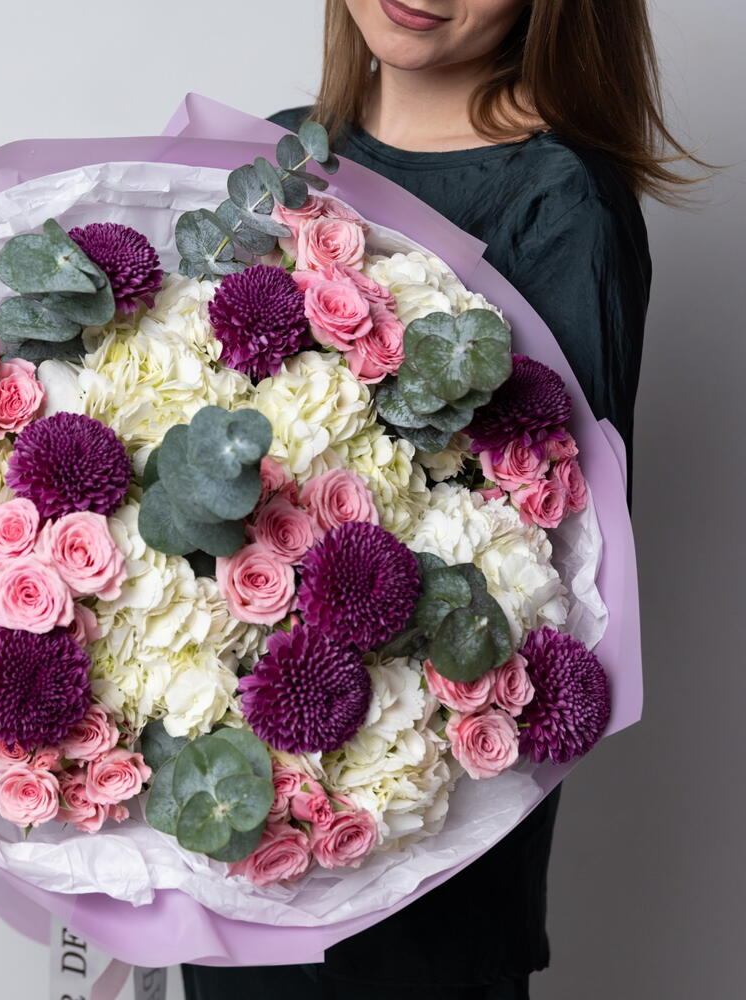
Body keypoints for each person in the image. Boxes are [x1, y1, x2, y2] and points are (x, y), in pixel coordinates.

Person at [182, 2, 704, 998]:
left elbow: (554, 574)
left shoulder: (559, 200)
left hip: (417, 863)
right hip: (237, 828)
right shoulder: (276, 160)